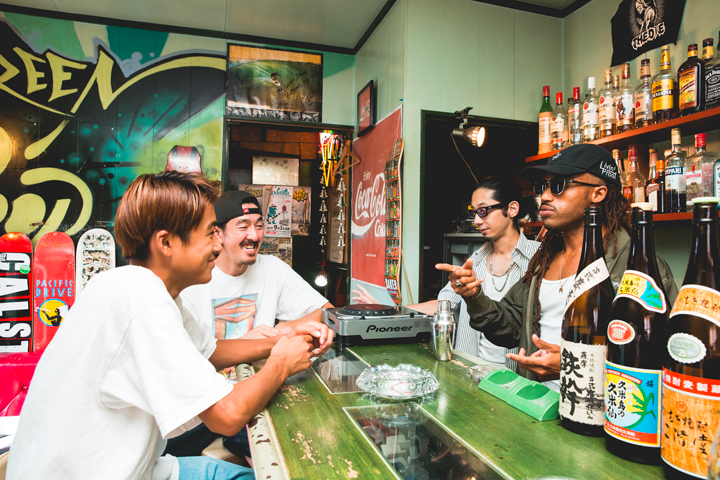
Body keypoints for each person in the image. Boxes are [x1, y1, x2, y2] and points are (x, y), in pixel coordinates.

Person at [7, 172, 333, 480]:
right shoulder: (141, 298)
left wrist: (279, 340)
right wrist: (281, 363)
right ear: (166, 243)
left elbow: (211, 352)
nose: (217, 246)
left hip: (141, 467)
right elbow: (227, 415)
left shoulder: (139, 287)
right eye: (209, 234)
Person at [440, 144, 678, 390]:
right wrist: (474, 295)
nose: (544, 196)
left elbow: (663, 354)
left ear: (598, 193)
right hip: (536, 403)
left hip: (603, 409)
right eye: (542, 186)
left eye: (559, 185)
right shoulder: (544, 260)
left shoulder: (637, 266)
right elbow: (510, 326)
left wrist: (574, 365)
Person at [171, 190, 332, 459]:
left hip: (258, 392)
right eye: (243, 226)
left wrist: (280, 333)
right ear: (218, 234)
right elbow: (194, 362)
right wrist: (262, 346)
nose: (254, 236)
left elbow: (327, 312)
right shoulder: (194, 279)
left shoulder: (272, 268)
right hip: (211, 408)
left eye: (259, 225)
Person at [353, 176, 540, 368]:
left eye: (483, 211)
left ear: (512, 209)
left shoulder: (539, 259)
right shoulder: (475, 260)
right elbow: (443, 304)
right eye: (474, 212)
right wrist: (389, 312)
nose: (477, 220)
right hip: (471, 370)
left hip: (516, 376)